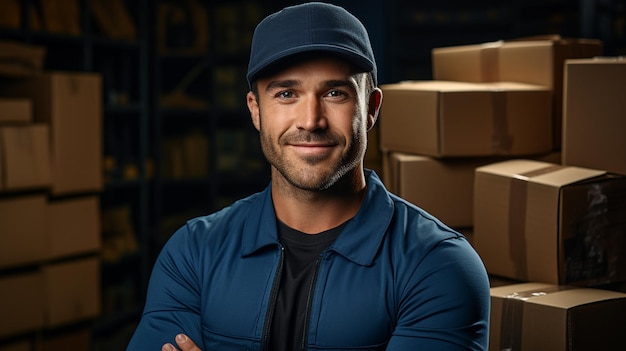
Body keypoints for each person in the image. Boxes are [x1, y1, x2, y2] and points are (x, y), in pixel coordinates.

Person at [126, 2, 490, 351]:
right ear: (256, 111)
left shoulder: (437, 264)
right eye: (286, 93)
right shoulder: (193, 254)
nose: (311, 120)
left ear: (372, 108)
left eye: (335, 93)